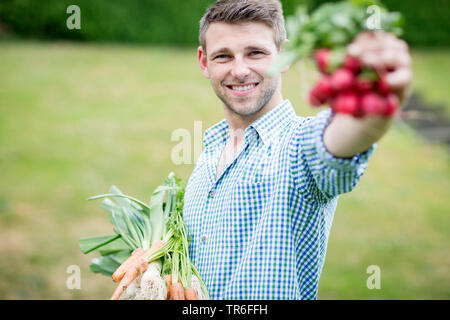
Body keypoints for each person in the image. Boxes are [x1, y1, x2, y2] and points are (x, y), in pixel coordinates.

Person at [182, 0, 412, 299]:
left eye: (256, 53)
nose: (239, 70)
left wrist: (375, 107)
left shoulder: (299, 146)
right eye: (223, 56)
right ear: (204, 62)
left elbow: (341, 140)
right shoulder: (209, 153)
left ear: (285, 54)